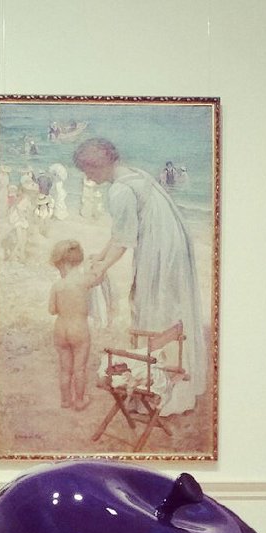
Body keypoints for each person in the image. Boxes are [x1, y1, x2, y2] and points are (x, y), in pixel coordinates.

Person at [72, 136, 206, 416]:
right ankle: (171, 383)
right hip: (172, 244)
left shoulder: (119, 191)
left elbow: (124, 240)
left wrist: (102, 269)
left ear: (99, 166)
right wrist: (102, 254)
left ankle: (164, 390)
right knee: (172, 307)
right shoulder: (135, 175)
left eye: (88, 171)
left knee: (158, 307)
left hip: (159, 250)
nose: (88, 178)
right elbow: (120, 232)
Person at [47, 239, 107, 411]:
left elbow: (51, 310)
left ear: (63, 263)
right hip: (79, 329)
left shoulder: (57, 285)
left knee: (65, 369)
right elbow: (99, 276)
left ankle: (65, 400)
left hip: (60, 329)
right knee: (79, 369)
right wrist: (98, 263)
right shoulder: (84, 280)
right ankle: (79, 401)